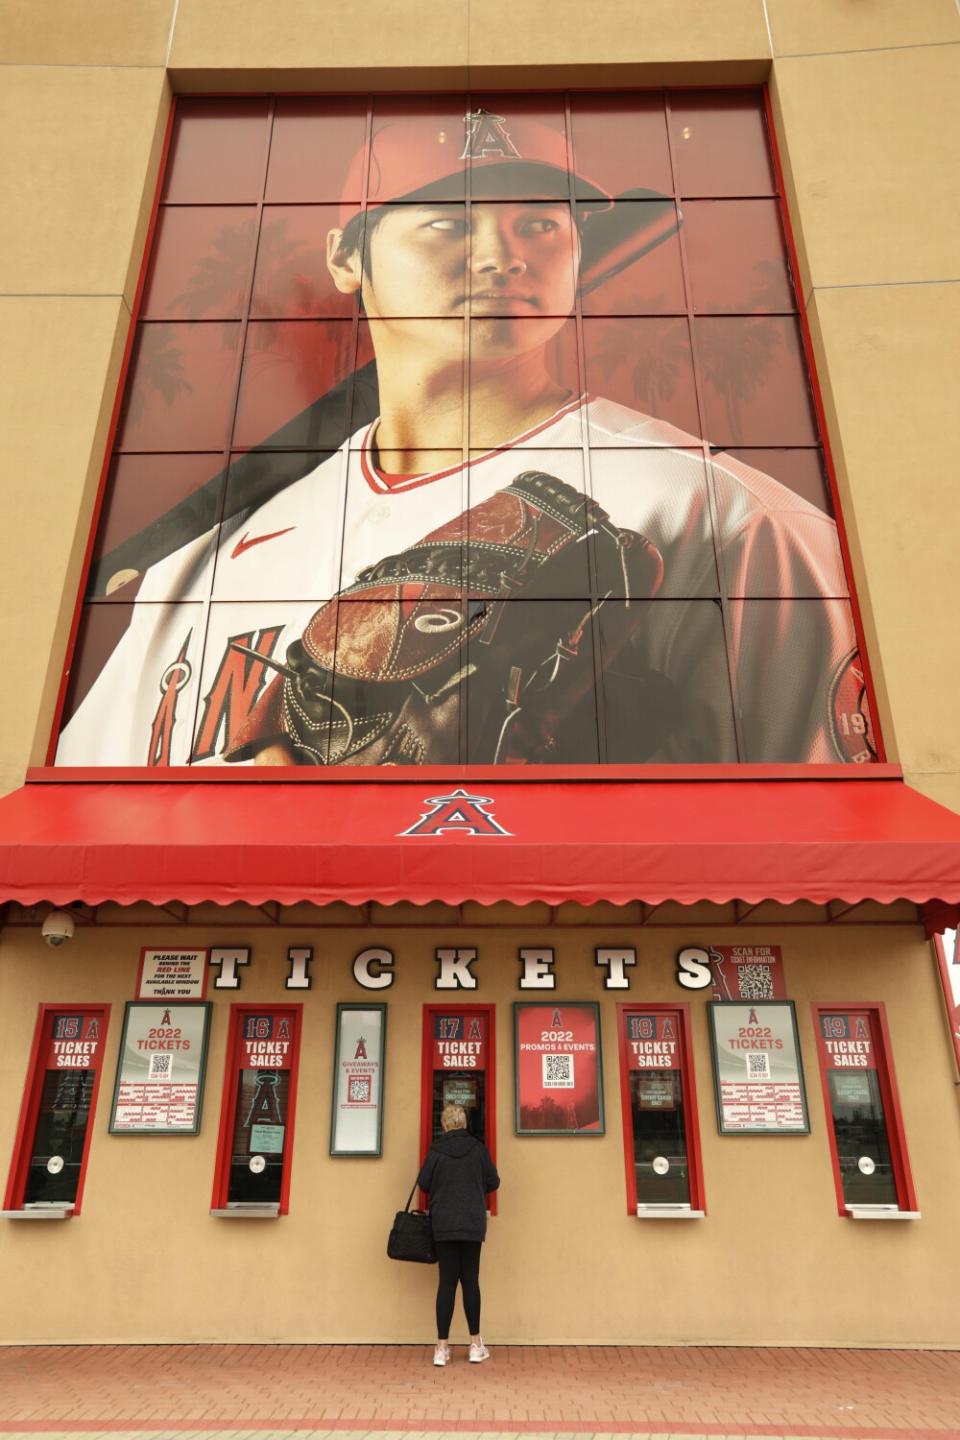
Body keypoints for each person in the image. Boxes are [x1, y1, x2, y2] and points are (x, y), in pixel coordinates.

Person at [57, 105, 872, 768]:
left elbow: (838, 845)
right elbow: (83, 826)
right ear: (346, 259)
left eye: (540, 226)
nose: (502, 256)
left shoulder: (716, 512)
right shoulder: (197, 565)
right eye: (449, 223)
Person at [416, 1102, 500, 1366]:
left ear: (444, 1125)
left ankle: (441, 1349)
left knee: (447, 1284)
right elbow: (493, 1181)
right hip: (472, 1224)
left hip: (444, 1224)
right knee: (471, 1282)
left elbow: (424, 1183)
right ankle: (475, 1345)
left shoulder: (437, 1151)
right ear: (464, 1123)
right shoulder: (478, 1149)